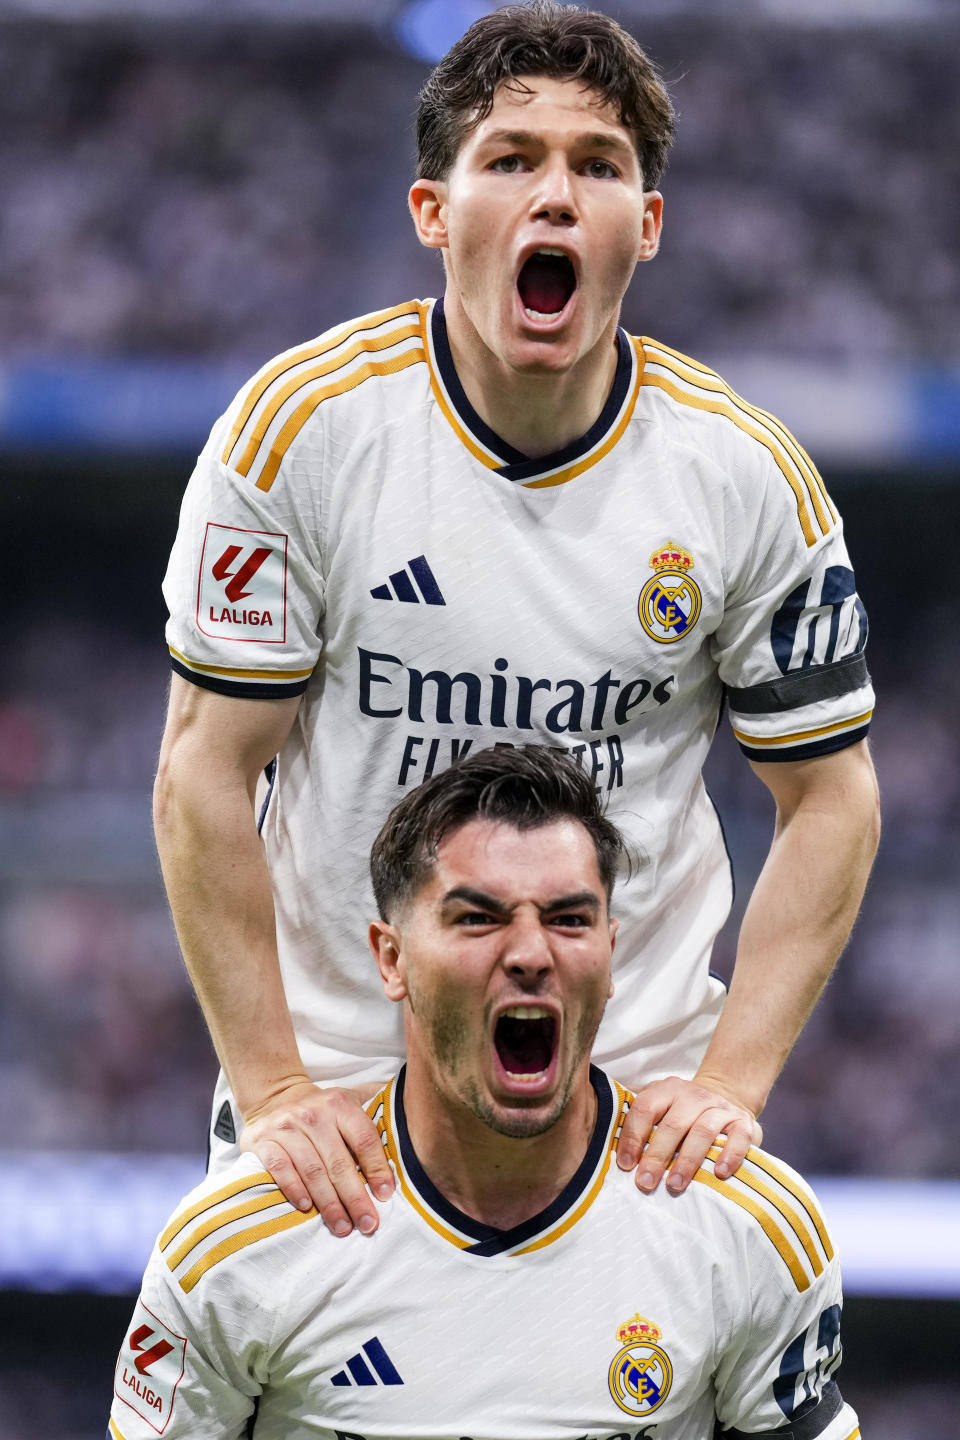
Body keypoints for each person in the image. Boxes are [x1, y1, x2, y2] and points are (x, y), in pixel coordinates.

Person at [154, 1, 880, 1235]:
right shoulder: (301, 435)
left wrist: (729, 1085)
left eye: (598, 167)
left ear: (644, 228)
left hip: (628, 1128)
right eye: (511, 159)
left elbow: (835, 797)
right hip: (337, 1136)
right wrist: (275, 1089)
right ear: (435, 213)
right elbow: (201, 774)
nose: (556, 197)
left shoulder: (744, 475)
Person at [112, 747, 860, 1440]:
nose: (531, 954)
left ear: (610, 954)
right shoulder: (238, 1247)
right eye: (479, 919)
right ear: (392, 958)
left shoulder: (744, 1228)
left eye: (569, 919)